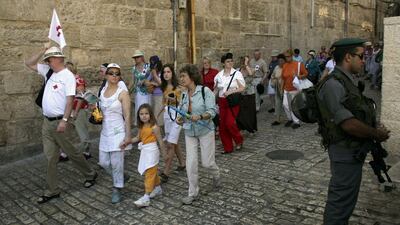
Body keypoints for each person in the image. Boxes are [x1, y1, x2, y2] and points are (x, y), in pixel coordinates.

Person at [317, 38, 390, 224]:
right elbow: (348, 123)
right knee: (340, 204)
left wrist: (372, 126)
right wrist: (376, 134)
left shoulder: (348, 81)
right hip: (344, 152)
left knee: (346, 201)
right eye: (361, 56)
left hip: (352, 151)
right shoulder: (334, 84)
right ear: (348, 57)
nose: (364, 60)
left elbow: (356, 111)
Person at [25, 45, 97, 204]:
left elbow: (71, 100)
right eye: (47, 59)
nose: (47, 62)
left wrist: (65, 120)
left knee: (71, 152)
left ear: (58, 59)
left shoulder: (67, 76)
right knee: (51, 157)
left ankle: (90, 174)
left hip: (60, 122)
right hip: (47, 122)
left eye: (49, 59)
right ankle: (52, 190)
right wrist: (42, 51)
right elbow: (28, 63)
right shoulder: (48, 71)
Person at [177, 64, 220, 205]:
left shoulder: (205, 91)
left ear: (192, 77)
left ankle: (216, 174)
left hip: (205, 130)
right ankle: (192, 192)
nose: (181, 79)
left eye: (184, 76)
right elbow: (182, 112)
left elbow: (212, 111)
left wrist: (200, 116)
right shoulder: (183, 94)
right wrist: (180, 119)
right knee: (191, 163)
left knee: (207, 163)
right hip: (190, 132)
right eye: (180, 76)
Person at [122, 104, 165, 207]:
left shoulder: (154, 127)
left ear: (150, 114)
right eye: (141, 114)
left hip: (152, 151)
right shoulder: (141, 127)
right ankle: (158, 188)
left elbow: (160, 141)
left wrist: (165, 153)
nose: (144, 116)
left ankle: (146, 197)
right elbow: (138, 138)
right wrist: (128, 142)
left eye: (146, 113)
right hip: (145, 152)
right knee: (150, 171)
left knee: (149, 173)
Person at [159, 64, 185, 183]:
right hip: (167, 116)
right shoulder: (164, 87)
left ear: (172, 73)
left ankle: (166, 172)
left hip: (177, 117)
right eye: (164, 72)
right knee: (174, 142)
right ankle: (182, 163)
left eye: (168, 72)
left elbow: (183, 102)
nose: (166, 74)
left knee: (170, 144)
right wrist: (156, 115)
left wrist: (174, 100)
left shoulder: (179, 88)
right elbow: (164, 103)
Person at [214, 53, 245, 154]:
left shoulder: (237, 74)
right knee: (222, 126)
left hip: (232, 101)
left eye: (231, 61)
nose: (230, 63)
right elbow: (215, 90)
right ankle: (228, 148)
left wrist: (231, 91)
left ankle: (239, 140)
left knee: (230, 123)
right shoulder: (218, 76)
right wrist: (210, 99)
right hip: (222, 102)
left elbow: (242, 88)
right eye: (228, 61)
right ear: (223, 63)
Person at [66, 61, 92, 160]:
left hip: (79, 110)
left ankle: (86, 151)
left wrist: (76, 111)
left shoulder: (78, 80)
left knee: (82, 131)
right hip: (70, 109)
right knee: (67, 132)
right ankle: (65, 152)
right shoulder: (68, 80)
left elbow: (81, 97)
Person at [281, 49, 308, 129]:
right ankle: (290, 119)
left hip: (295, 89)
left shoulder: (298, 64)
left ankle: (296, 122)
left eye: (288, 56)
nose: (287, 58)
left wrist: (298, 76)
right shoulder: (285, 65)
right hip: (286, 88)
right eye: (285, 57)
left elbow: (306, 74)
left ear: (292, 56)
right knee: (285, 105)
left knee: (293, 106)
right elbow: (283, 78)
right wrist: (281, 89)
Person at [236, 56, 257, 135]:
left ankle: (250, 129)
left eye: (244, 61)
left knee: (250, 112)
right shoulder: (238, 71)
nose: (243, 63)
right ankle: (241, 127)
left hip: (249, 93)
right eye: (242, 61)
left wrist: (246, 64)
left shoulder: (252, 69)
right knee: (241, 113)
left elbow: (251, 74)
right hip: (240, 93)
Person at [130, 50, 152, 125]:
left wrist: (146, 81)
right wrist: (128, 91)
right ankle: (141, 126)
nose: (136, 59)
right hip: (138, 93)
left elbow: (152, 78)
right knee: (140, 109)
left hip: (147, 92)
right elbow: (132, 81)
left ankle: (149, 126)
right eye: (135, 57)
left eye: (138, 57)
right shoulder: (134, 68)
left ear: (142, 57)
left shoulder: (148, 66)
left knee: (147, 109)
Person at [201, 57, 220, 136]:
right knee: (205, 111)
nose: (206, 64)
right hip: (202, 95)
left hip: (213, 94)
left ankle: (217, 127)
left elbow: (218, 84)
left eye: (208, 62)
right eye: (205, 63)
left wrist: (214, 94)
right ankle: (208, 128)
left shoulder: (215, 72)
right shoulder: (200, 73)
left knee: (213, 111)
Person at [148, 56, 164, 126]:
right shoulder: (152, 72)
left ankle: (159, 130)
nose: (154, 67)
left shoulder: (163, 71)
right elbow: (146, 82)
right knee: (155, 114)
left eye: (154, 65)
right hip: (153, 95)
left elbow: (162, 84)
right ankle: (157, 130)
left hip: (161, 95)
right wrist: (153, 83)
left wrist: (154, 75)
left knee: (159, 114)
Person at [270, 54, 286, 126]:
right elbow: (272, 76)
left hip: (286, 89)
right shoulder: (276, 67)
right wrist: (274, 82)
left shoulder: (286, 67)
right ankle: (278, 119)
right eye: (279, 61)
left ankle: (291, 119)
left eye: (282, 60)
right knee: (277, 104)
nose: (280, 62)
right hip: (277, 89)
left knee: (287, 105)